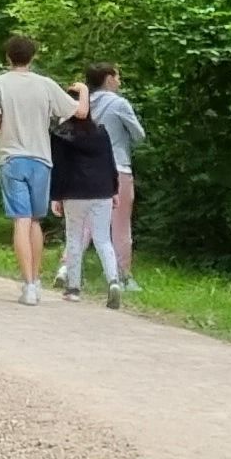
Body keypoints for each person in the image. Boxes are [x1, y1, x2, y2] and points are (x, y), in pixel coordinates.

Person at [0, 35, 78, 305]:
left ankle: (28, 286)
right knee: (35, 220)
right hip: (41, 158)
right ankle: (37, 280)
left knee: (20, 220)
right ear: (33, 57)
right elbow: (74, 111)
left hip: (11, 158)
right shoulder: (45, 85)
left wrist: (3, 125)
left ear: (8, 57)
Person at [49, 76, 121, 305]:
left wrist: (56, 196)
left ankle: (73, 288)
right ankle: (114, 281)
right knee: (103, 239)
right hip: (102, 191)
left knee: (74, 238)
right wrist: (115, 189)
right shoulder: (100, 131)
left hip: (74, 192)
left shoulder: (61, 135)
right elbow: (110, 162)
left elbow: (58, 167)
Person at [84, 61, 146, 294]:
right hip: (118, 167)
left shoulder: (81, 103)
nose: (119, 81)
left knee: (85, 221)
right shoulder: (120, 104)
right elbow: (139, 135)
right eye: (118, 77)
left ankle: (67, 268)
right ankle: (123, 275)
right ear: (108, 79)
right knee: (120, 225)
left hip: (87, 169)